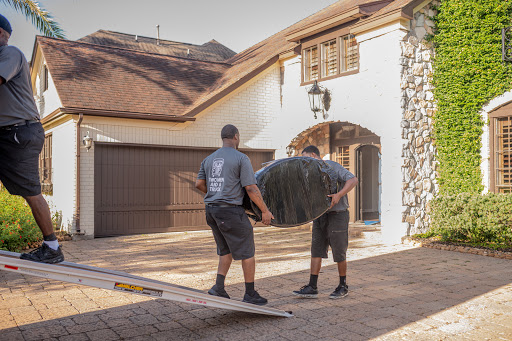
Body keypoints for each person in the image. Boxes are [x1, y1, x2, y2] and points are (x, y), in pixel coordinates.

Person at [0, 14, 64, 263]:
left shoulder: (10, 54)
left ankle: (52, 247)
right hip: (7, 132)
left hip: (20, 133)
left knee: (30, 191)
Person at [195, 124, 274, 305]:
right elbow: (251, 188)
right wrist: (265, 211)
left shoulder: (209, 159)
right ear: (236, 137)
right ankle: (250, 293)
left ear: (223, 138)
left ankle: (219, 287)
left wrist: (217, 193)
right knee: (247, 251)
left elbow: (199, 184)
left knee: (226, 250)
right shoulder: (241, 158)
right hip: (230, 211)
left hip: (212, 211)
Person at [293, 145, 358, 299]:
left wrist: (339, 195)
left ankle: (343, 286)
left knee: (339, 251)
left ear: (314, 155)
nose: (305, 161)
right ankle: (312, 286)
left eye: (307, 157)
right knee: (316, 250)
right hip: (319, 216)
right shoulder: (309, 173)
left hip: (338, 215)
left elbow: (353, 180)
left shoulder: (332, 166)